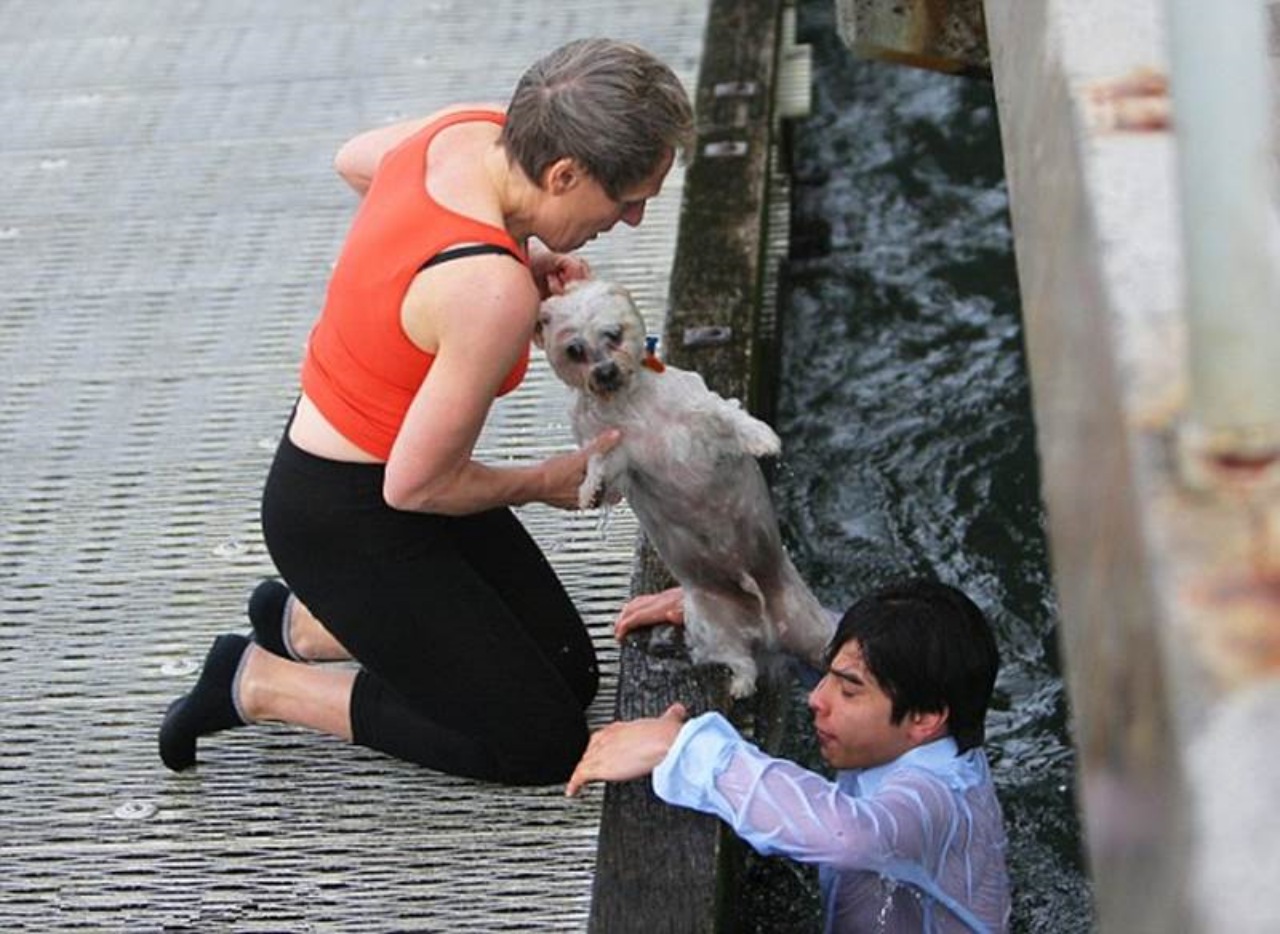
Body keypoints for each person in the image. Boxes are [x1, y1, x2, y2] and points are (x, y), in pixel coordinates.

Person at [158, 38, 695, 786]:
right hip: (342, 519)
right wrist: (546, 480)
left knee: (571, 676)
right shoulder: (491, 291)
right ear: (565, 173)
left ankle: (308, 625)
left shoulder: (467, 133)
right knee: (541, 745)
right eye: (626, 199)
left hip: (385, 470)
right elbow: (413, 489)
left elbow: (357, 160)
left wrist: (501, 252)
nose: (634, 220)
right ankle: (258, 680)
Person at [567, 578, 1012, 933]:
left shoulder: (934, 798)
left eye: (848, 690)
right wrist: (740, 616)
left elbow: (846, 836)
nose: (816, 699)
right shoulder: (933, 720)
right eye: (830, 676)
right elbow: (828, 644)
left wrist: (682, 746)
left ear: (926, 718)